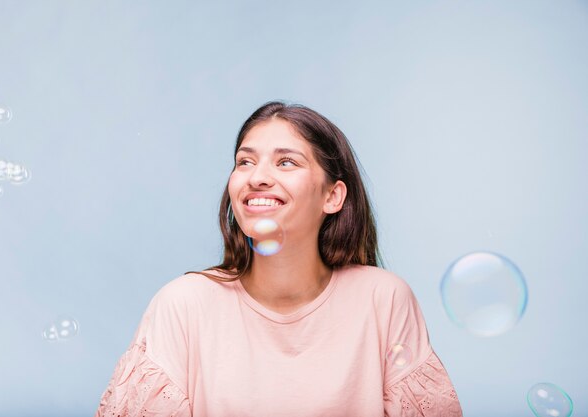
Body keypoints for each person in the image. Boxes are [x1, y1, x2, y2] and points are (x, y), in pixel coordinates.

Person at [95, 101, 463, 417]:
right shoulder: (183, 305)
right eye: (245, 161)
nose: (257, 178)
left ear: (333, 197)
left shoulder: (384, 299)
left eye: (286, 162)